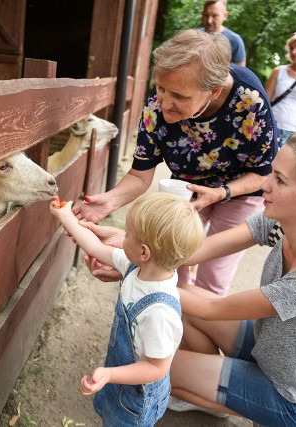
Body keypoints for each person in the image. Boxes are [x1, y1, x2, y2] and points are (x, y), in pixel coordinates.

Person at [76, 132, 296, 425]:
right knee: (182, 291)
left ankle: (227, 395)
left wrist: (135, 274)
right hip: (266, 345)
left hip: (290, 397)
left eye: (280, 180)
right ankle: (213, 385)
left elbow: (212, 311)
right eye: (272, 172)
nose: (265, 185)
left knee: (157, 370)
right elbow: (190, 252)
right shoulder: (283, 223)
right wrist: (130, 242)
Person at [73, 29, 278, 296]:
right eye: (161, 88)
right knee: (167, 265)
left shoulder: (250, 100)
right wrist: (111, 200)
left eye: (180, 97)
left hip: (239, 192)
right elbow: (140, 174)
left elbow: (264, 172)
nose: (165, 104)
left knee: (213, 277)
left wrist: (222, 192)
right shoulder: (155, 106)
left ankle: (197, 327)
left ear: (213, 91)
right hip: (186, 188)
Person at [49, 192, 205, 426]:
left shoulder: (159, 312)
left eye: (128, 234)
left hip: (136, 398)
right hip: (121, 378)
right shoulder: (136, 267)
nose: (123, 236)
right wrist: (66, 216)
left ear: (144, 252)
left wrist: (110, 374)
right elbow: (94, 245)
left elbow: (156, 368)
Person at [200, 0, 246, 66]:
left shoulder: (234, 40)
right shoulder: (194, 37)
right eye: (206, 15)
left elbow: (241, 72)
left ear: (225, 15)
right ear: (202, 14)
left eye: (215, 16)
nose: (209, 21)